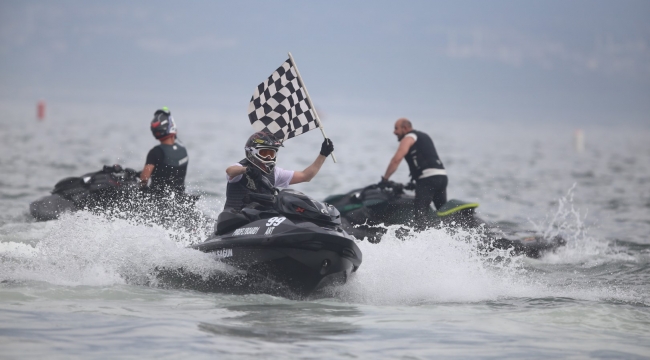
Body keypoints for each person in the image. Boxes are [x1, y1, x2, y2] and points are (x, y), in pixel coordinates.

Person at [224, 132, 334, 211]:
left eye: (271, 153)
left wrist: (323, 155)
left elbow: (305, 176)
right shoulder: (240, 168)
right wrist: (246, 170)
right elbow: (230, 171)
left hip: (259, 221)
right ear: (252, 152)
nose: (268, 157)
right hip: (234, 220)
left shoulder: (275, 173)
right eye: (264, 153)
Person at [381, 118, 447, 228]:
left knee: (420, 216)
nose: (394, 132)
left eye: (396, 128)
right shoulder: (424, 136)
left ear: (405, 128)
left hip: (428, 179)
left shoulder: (409, 137)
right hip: (441, 177)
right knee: (442, 212)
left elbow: (396, 160)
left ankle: (425, 239)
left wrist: (385, 179)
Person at [140, 107, 189, 196]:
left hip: (158, 199)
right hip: (179, 198)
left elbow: (144, 179)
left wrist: (140, 189)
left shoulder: (155, 152)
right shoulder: (183, 150)